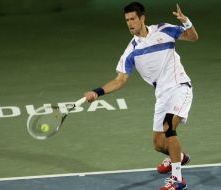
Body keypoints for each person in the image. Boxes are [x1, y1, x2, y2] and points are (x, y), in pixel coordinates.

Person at [84, 2, 198, 190]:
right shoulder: (131, 51)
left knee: (168, 126)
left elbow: (193, 37)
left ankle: (178, 180)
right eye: (127, 20)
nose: (130, 23)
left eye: (133, 19)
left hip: (180, 87)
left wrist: (187, 22)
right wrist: (97, 92)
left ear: (142, 18)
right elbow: (119, 80)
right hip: (162, 96)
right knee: (159, 144)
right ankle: (179, 157)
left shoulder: (164, 30)